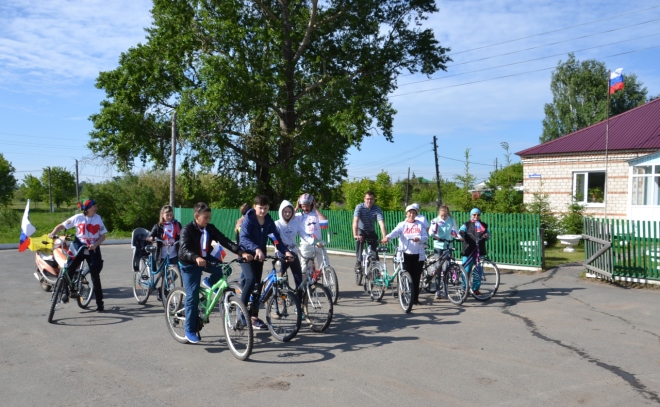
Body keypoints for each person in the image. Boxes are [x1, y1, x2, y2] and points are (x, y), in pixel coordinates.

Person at [178, 202, 244, 344]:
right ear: (197, 216)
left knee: (226, 269)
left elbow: (225, 240)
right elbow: (183, 250)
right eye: (205, 217)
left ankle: (209, 282)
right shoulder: (187, 230)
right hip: (189, 263)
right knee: (192, 295)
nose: (208, 220)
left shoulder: (210, 228)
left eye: (209, 217)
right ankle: (189, 330)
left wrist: (240, 252)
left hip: (204, 258)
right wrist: (195, 257)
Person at [240, 195, 293, 330]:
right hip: (246, 254)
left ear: (268, 208)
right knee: (251, 279)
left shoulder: (269, 221)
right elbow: (243, 238)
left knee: (257, 286)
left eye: (265, 208)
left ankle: (254, 318)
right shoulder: (249, 219)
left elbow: (275, 239)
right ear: (254, 207)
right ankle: (242, 312)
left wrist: (285, 251)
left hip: (259, 257)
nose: (262, 211)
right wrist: (256, 248)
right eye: (260, 208)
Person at [48, 198, 107, 312]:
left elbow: (103, 236)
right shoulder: (77, 218)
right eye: (94, 206)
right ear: (88, 208)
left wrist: (95, 245)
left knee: (95, 276)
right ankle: (66, 292)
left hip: (92, 248)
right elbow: (62, 226)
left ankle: (100, 304)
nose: (96, 208)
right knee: (68, 269)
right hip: (78, 247)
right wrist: (53, 233)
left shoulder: (98, 218)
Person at [381, 204, 428, 307]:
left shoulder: (420, 225)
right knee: (404, 275)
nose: (411, 214)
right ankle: (403, 296)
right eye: (410, 212)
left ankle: (415, 299)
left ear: (416, 214)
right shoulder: (402, 224)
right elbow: (395, 232)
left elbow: (426, 237)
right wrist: (387, 237)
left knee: (416, 278)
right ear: (406, 214)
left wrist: (419, 238)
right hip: (404, 254)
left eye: (414, 213)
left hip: (418, 255)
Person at [146, 205, 182, 301]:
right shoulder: (158, 226)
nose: (169, 217)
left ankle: (161, 289)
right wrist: (151, 238)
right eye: (167, 215)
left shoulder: (176, 225)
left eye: (171, 214)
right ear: (162, 215)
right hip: (161, 256)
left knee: (176, 274)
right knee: (164, 275)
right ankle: (163, 292)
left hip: (174, 254)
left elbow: (182, 234)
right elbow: (150, 236)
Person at [352, 190, 388, 272]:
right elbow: (355, 222)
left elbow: (381, 224)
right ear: (364, 199)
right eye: (368, 199)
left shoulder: (377, 209)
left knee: (374, 250)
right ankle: (358, 261)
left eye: (371, 199)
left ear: (374, 200)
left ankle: (375, 266)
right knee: (360, 239)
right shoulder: (359, 207)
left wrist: (384, 237)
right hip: (361, 230)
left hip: (371, 231)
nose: (369, 201)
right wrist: (355, 235)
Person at [429, 205, 459, 299]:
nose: (443, 217)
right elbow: (430, 232)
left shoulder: (451, 220)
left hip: (448, 246)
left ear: (448, 214)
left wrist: (459, 237)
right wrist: (436, 237)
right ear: (439, 214)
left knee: (446, 268)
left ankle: (445, 291)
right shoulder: (436, 220)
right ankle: (437, 290)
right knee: (438, 268)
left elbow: (456, 232)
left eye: (445, 215)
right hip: (438, 246)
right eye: (442, 215)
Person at [459, 208, 490, 296]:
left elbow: (488, 236)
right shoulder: (466, 225)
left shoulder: (483, 225)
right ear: (471, 215)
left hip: (479, 250)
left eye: (478, 215)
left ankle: (476, 289)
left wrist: (486, 235)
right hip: (468, 250)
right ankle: (464, 289)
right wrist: (461, 233)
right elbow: (460, 232)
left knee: (478, 272)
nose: (476, 216)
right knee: (466, 270)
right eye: (474, 215)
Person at [295, 193, 328, 272]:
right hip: (306, 244)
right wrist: (296, 207)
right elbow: (288, 217)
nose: (305, 208)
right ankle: (307, 282)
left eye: (307, 205)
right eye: (303, 206)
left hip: (318, 243)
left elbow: (325, 221)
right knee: (305, 267)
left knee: (325, 264)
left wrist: (316, 209)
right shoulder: (298, 215)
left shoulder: (316, 214)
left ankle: (326, 279)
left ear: (312, 204)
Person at [275, 200, 303, 288]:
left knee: (298, 275)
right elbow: (275, 239)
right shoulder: (277, 224)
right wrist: (281, 248)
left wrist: (312, 241)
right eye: (285, 211)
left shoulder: (295, 223)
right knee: (286, 262)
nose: (287, 214)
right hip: (281, 251)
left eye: (290, 212)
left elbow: (303, 233)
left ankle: (299, 297)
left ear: (292, 212)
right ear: (281, 212)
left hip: (293, 251)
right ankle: (278, 288)